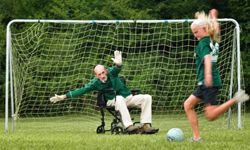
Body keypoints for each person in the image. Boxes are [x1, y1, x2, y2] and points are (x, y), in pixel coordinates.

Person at [50, 50, 159, 134]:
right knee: (119, 98)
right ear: (96, 75)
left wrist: (119, 65)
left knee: (147, 97)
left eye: (103, 72)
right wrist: (64, 96)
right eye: (99, 74)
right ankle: (129, 126)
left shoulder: (111, 72)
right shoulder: (95, 83)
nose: (102, 75)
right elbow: (81, 90)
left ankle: (146, 125)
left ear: (106, 71)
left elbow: (117, 69)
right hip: (113, 101)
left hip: (128, 98)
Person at [184, 10, 249, 142]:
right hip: (205, 82)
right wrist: (214, 17)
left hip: (209, 82)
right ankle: (196, 137)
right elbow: (216, 29)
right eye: (193, 33)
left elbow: (207, 58)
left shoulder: (203, 42)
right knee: (188, 105)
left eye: (196, 32)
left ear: (204, 29)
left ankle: (235, 99)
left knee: (211, 115)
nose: (195, 36)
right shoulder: (213, 38)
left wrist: (207, 74)